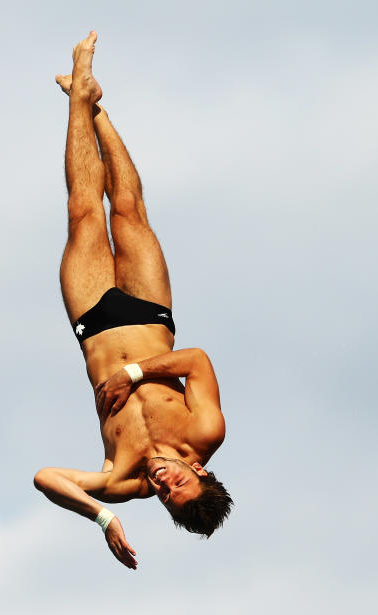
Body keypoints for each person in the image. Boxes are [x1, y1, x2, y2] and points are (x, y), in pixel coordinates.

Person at [33, 31, 232, 570]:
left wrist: (103, 517)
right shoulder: (203, 432)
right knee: (127, 209)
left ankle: (81, 94)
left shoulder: (123, 481)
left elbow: (45, 478)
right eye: (181, 485)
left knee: (82, 211)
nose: (167, 485)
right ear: (203, 473)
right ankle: (92, 106)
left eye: (168, 498)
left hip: (94, 322)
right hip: (149, 315)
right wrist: (137, 375)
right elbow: (197, 361)